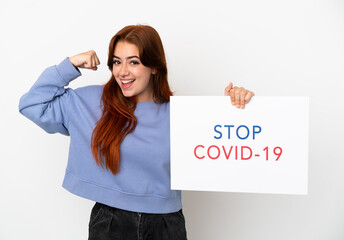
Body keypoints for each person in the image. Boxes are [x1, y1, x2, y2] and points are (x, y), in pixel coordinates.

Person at [18, 25, 254, 240]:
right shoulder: (89, 101)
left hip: (166, 224)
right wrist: (68, 65)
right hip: (110, 223)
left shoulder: (183, 114)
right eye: (117, 62)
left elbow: (229, 150)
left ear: (153, 67)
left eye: (133, 62)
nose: (122, 72)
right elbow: (31, 105)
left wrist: (236, 108)